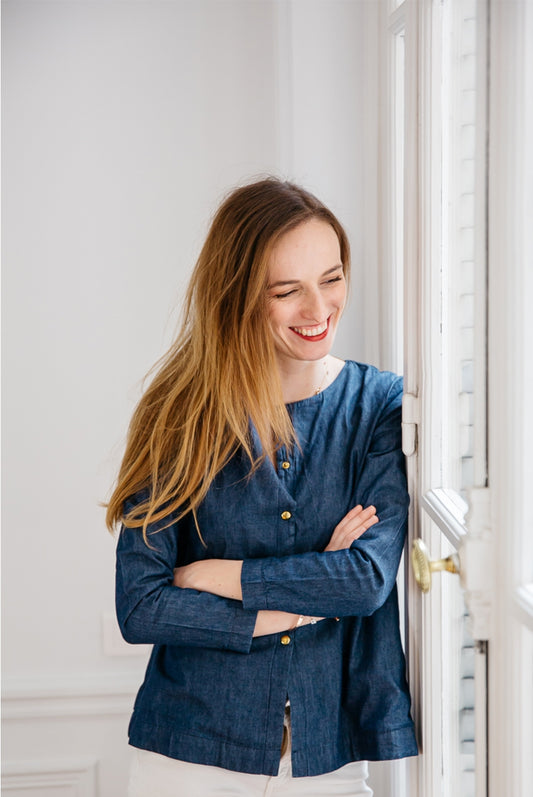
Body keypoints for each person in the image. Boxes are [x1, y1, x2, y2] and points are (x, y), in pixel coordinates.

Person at [107, 177, 418, 796]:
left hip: (327, 762)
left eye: (331, 279)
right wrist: (307, 599)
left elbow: (366, 580)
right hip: (187, 759)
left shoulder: (378, 404)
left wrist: (221, 576)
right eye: (287, 291)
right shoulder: (179, 414)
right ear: (240, 296)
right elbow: (141, 607)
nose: (319, 309)